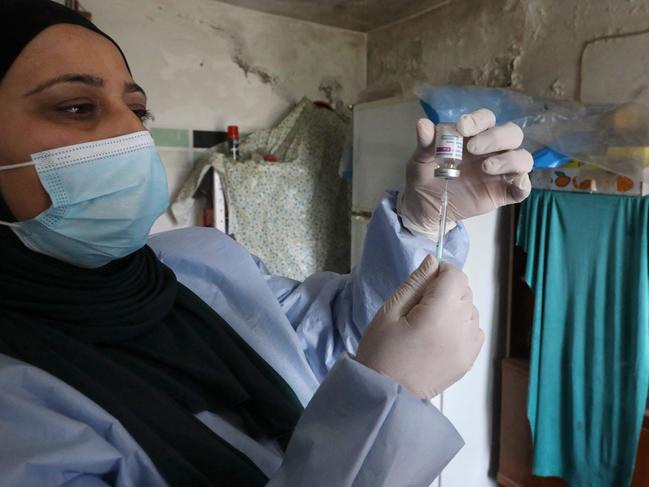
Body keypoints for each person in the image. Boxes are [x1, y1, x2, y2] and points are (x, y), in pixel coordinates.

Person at [0, 1, 533, 486]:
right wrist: (379, 409)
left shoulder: (196, 261)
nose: (131, 136)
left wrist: (422, 224)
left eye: (138, 111)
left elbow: (333, 338)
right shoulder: (17, 421)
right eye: (74, 107)